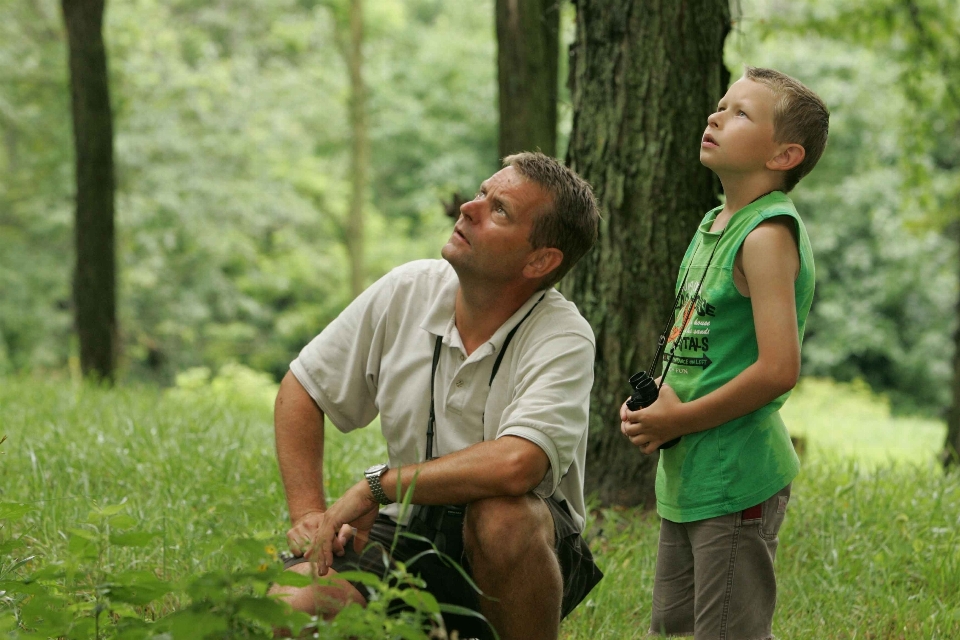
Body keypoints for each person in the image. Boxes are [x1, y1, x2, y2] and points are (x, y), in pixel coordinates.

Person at [270, 151, 603, 640]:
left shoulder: (564, 335)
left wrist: (377, 486)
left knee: (500, 516)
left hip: (522, 549)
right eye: (480, 193)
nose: (469, 208)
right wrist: (309, 516)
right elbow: (303, 388)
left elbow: (519, 464)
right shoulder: (408, 289)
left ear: (540, 260)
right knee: (290, 608)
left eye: (500, 210)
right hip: (403, 530)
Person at [620, 67, 829, 639]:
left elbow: (778, 370)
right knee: (677, 627)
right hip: (689, 473)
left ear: (785, 155)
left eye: (740, 113)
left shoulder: (766, 235)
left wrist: (680, 418)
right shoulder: (716, 224)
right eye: (720, 105)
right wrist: (656, 405)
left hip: (736, 475)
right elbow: (697, 338)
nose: (715, 117)